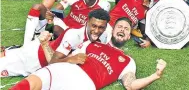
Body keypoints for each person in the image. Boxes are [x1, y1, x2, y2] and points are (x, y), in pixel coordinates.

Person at [11, 18, 167, 90]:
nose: (122, 30)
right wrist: (45, 45)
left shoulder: (128, 61)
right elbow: (56, 62)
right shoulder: (90, 44)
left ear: (128, 37)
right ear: (112, 30)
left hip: (84, 84)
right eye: (120, 26)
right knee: (28, 84)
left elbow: (130, 85)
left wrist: (156, 76)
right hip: (62, 70)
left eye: (126, 29)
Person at [0, 9, 109, 77]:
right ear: (87, 23)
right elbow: (53, 62)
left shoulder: (104, 35)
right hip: (34, 59)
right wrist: (71, 59)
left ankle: (9, 51)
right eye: (93, 26)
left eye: (101, 27)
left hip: (40, 50)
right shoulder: (74, 36)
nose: (96, 31)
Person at [24, 0, 110, 44]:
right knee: (38, 8)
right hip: (66, 27)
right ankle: (29, 41)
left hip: (82, 33)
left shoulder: (104, 5)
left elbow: (101, 25)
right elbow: (56, 9)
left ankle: (53, 41)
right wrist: (51, 17)